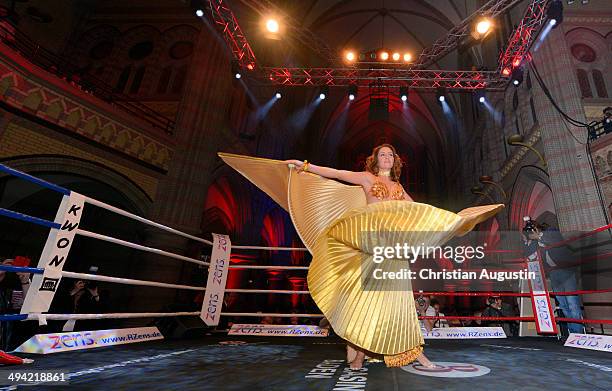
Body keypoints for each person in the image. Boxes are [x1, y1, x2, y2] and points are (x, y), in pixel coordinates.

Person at [219, 145, 503, 369]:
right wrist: (304, 166)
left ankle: (411, 353)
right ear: (375, 159)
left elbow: (421, 212)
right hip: (368, 241)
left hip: (392, 247)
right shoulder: (367, 178)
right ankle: (358, 352)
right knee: (363, 298)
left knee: (397, 300)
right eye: (382, 154)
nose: (387, 158)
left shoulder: (400, 190)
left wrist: (451, 221)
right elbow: (337, 173)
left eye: (391, 155)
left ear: (396, 161)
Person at [521, 217, 584, 335]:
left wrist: (538, 235)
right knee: (563, 305)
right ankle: (573, 332)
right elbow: (529, 254)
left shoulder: (551, 231)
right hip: (554, 274)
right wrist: (526, 240)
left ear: (537, 227)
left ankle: (578, 334)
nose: (531, 232)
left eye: (531, 230)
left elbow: (556, 239)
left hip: (566, 271)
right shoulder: (535, 242)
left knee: (572, 303)